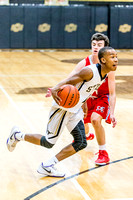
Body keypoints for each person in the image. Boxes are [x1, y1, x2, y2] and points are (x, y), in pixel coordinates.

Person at [6, 47, 118, 177]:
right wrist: (55, 88)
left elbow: (86, 88)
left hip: (75, 110)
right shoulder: (90, 71)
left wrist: (84, 104)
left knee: (81, 142)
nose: (116, 59)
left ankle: (47, 165)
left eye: (116, 56)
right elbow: (70, 80)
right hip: (64, 108)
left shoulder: (104, 74)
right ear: (103, 60)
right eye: (112, 57)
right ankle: (17, 135)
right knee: (48, 142)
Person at [69, 33, 117, 165]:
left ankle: (103, 152)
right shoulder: (85, 62)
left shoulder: (109, 66)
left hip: (102, 97)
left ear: (105, 48)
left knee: (95, 120)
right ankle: (86, 135)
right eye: (94, 44)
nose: (95, 47)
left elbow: (112, 92)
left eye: (99, 45)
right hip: (87, 97)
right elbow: (70, 79)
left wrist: (112, 112)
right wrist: (57, 88)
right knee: (81, 123)